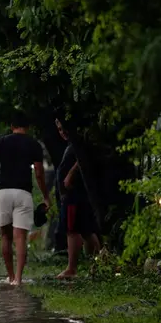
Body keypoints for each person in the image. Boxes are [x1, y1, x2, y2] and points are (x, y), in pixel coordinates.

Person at [0, 112, 51, 286]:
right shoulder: (34, 144)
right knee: (20, 237)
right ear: (27, 126)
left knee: (5, 236)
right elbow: (38, 173)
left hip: (3, 192)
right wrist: (45, 196)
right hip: (23, 193)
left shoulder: (2, 141)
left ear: (12, 126)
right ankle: (19, 280)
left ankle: (11, 276)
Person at [53, 119, 102, 279]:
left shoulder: (80, 144)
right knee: (86, 231)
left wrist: (71, 174)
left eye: (64, 128)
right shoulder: (72, 146)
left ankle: (72, 268)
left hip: (74, 195)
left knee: (72, 230)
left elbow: (83, 159)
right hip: (74, 195)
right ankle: (97, 266)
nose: (62, 132)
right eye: (59, 130)